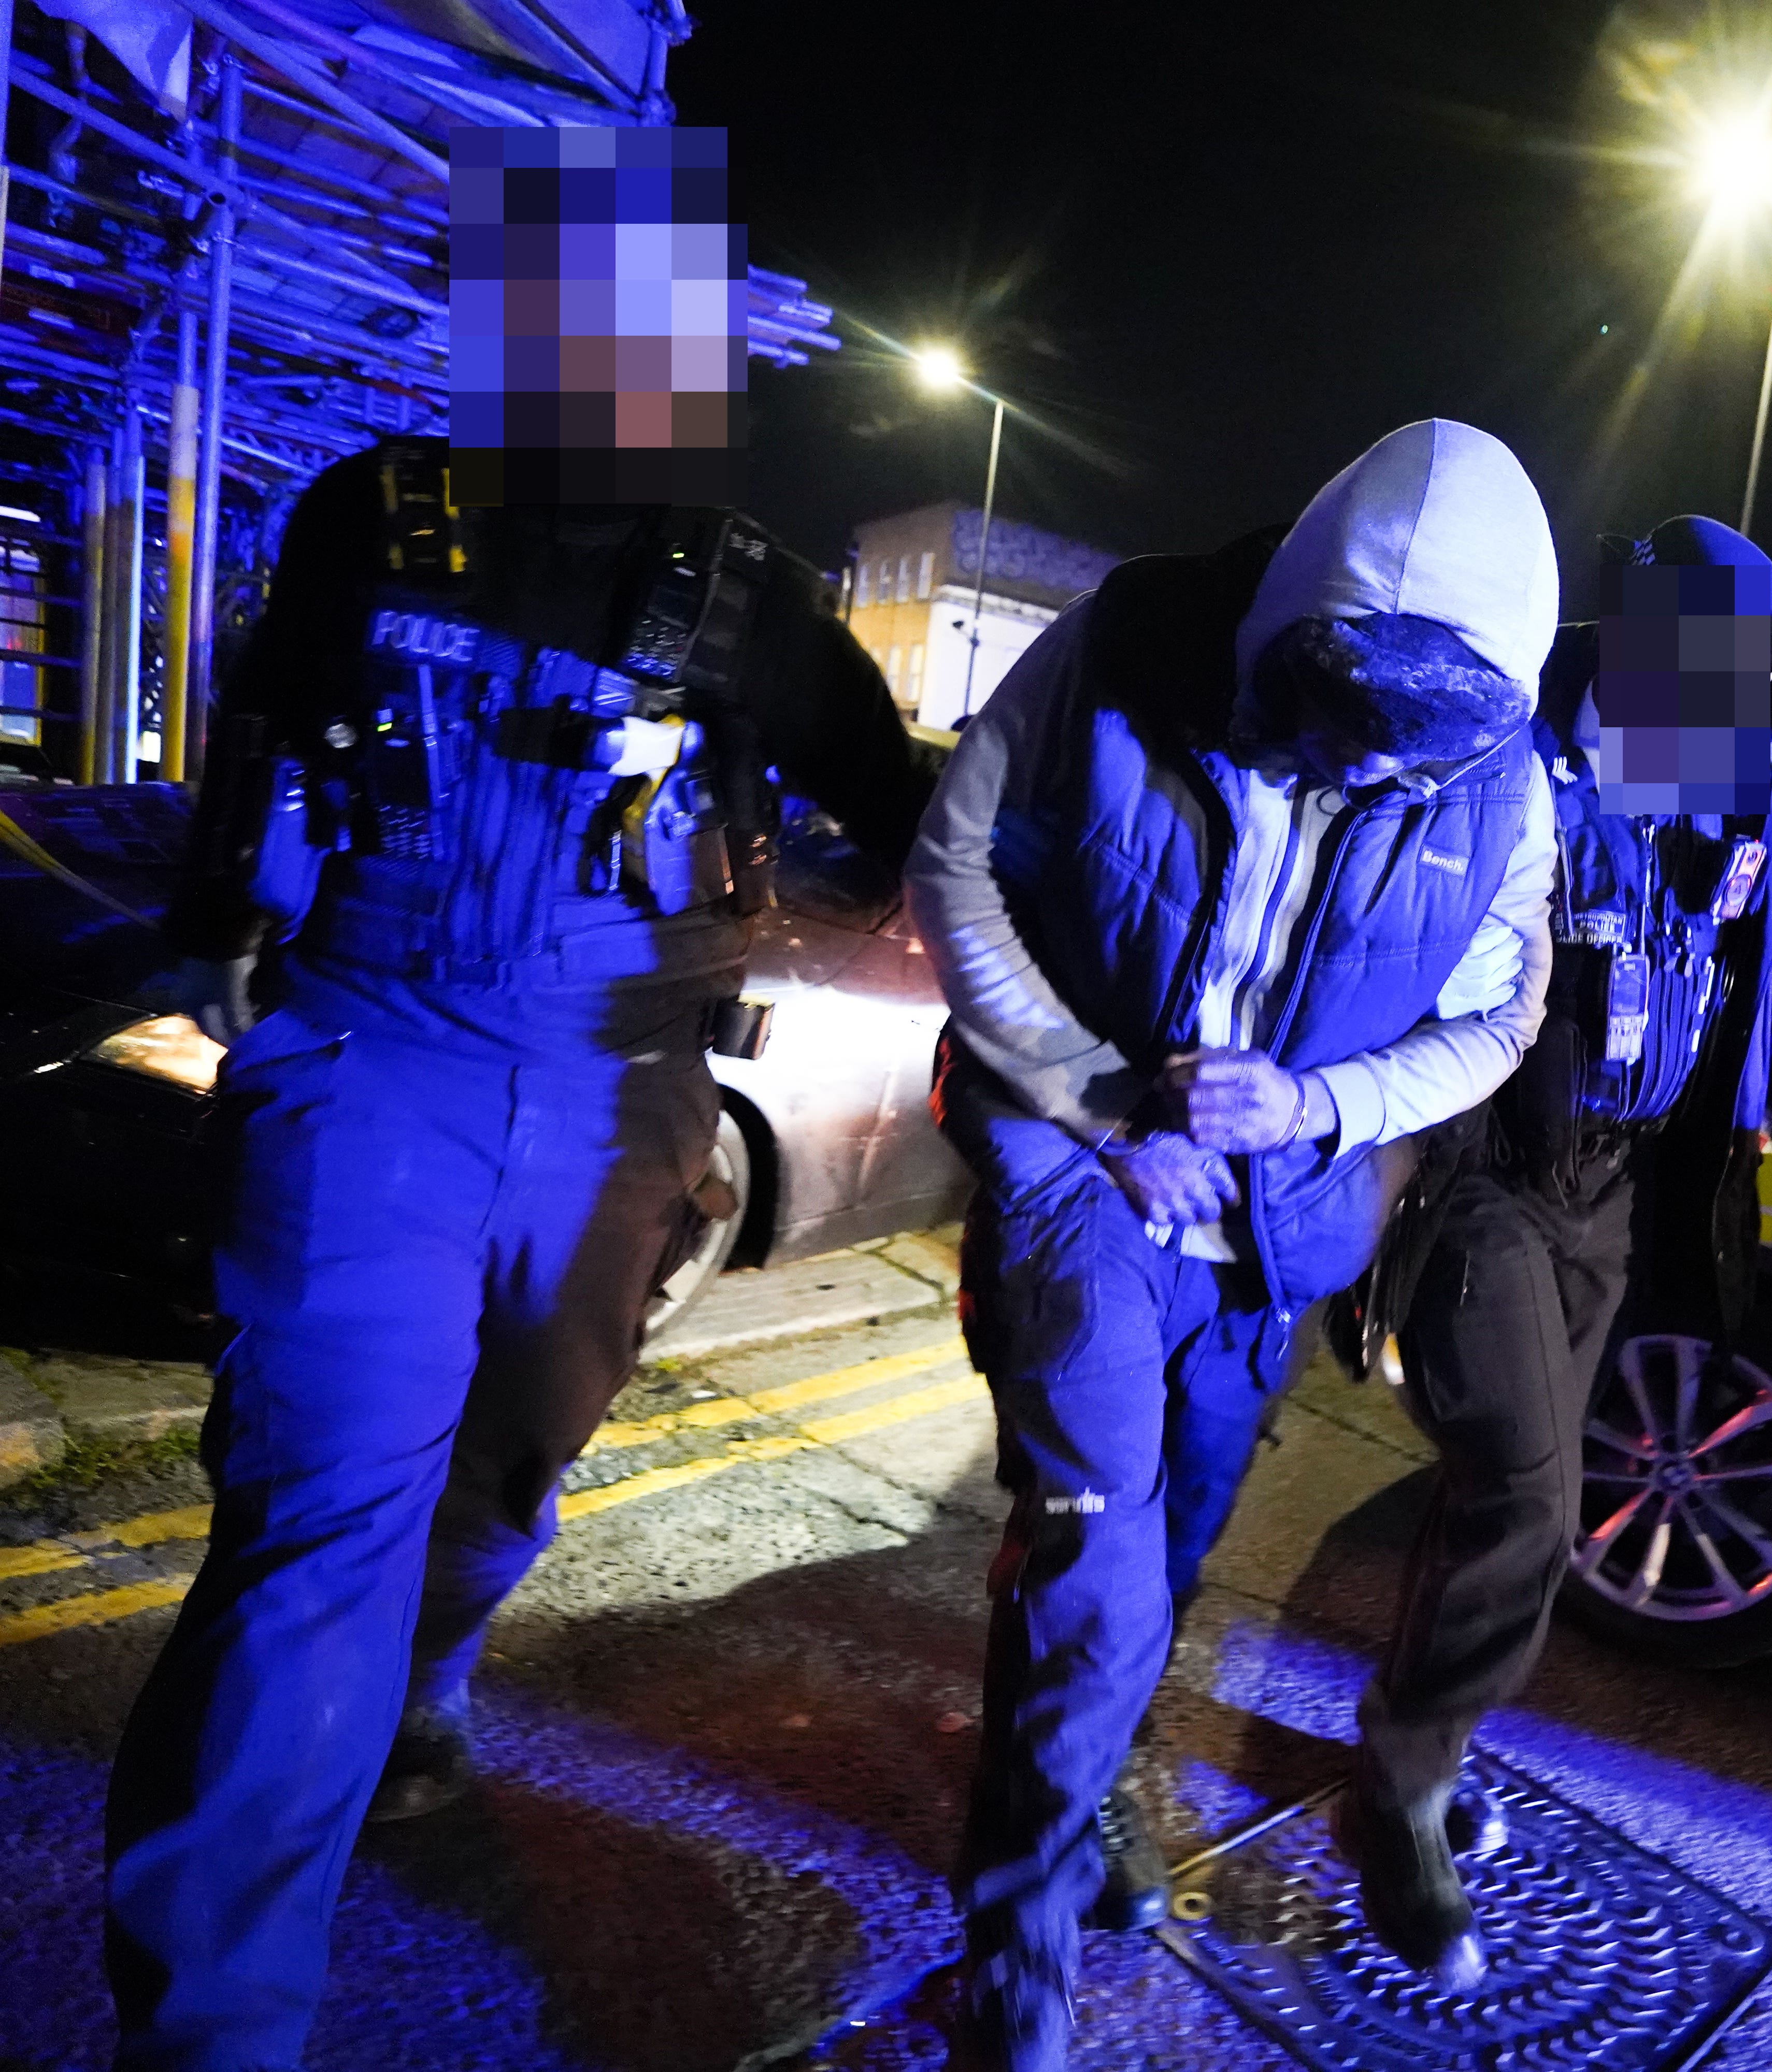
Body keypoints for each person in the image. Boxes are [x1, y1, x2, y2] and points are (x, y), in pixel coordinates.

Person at [107, 439, 923, 2072]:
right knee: (313, 1551)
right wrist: (218, 932)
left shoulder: (741, 585)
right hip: (368, 1064)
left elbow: (909, 813)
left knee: (509, 1480)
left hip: (611, 1087)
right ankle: (212, 2038)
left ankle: (427, 1668)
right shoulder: (374, 514)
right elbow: (261, 724)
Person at [903, 419, 1561, 2069]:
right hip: (1082, 1177)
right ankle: (1022, 1946)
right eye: (1337, 744)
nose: (1369, 785)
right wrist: (1092, 1093)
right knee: (1098, 1576)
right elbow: (955, 860)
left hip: (1276, 1235)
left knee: (1167, 1559)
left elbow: (1503, 1012)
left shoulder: (1510, 786)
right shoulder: (1124, 644)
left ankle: (1073, 1788)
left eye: (1413, 774)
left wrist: (1324, 1106)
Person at [1336, 516, 1772, 1989]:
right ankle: (1404, 1792)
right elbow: (1395, 942)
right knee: (1525, 1488)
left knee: (1516, 1507)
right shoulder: (1531, 786)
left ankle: (1416, 1743)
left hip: (1617, 1200)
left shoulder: (1742, 827)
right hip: (1486, 1181)